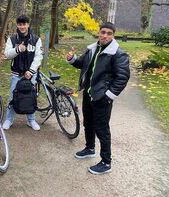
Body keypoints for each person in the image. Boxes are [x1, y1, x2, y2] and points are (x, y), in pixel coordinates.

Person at [66, 22, 130, 175]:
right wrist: (72, 59)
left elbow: (122, 78)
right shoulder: (92, 49)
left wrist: (108, 96)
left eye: (109, 33)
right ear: (98, 33)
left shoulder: (118, 54)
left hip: (102, 98)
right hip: (89, 94)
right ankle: (89, 148)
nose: (105, 36)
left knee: (102, 129)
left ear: (113, 35)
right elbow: (82, 64)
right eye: (103, 32)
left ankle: (106, 162)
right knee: (88, 123)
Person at [2, 15, 43, 131]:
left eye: (24, 24)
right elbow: (7, 54)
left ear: (28, 25)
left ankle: (31, 120)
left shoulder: (36, 39)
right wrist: (17, 49)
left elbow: (38, 57)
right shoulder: (12, 39)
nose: (22, 27)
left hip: (31, 75)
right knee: (13, 96)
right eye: (20, 24)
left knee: (31, 96)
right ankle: (9, 119)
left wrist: (31, 71)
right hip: (16, 74)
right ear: (17, 25)